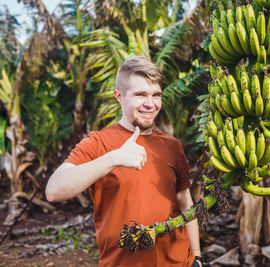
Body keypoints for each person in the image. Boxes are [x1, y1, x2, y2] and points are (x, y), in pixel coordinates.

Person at [45, 56, 203, 267]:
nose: (150, 103)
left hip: (179, 262)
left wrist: (198, 257)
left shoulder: (172, 145)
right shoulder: (98, 142)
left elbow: (185, 202)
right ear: (119, 96)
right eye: (140, 95)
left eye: (156, 95)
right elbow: (54, 190)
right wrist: (115, 158)